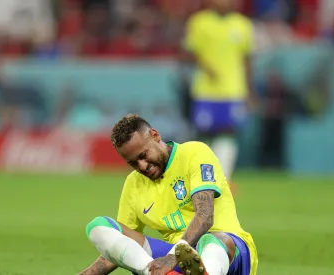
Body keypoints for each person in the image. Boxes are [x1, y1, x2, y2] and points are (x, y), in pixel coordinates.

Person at [79, 114, 258, 275]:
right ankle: (156, 273)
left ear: (155, 135)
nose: (142, 166)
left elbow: (205, 216)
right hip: (173, 262)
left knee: (211, 241)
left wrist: (172, 257)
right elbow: (122, 248)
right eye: (133, 163)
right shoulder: (133, 185)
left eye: (143, 155)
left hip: (229, 252)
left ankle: (205, 272)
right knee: (98, 226)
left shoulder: (194, 153)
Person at [182, 0, 255, 180]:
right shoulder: (199, 22)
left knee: (229, 132)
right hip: (205, 91)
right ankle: (201, 177)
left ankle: (223, 179)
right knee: (203, 134)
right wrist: (206, 66)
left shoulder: (243, 25)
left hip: (233, 91)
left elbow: (247, 60)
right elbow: (189, 51)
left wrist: (249, 90)